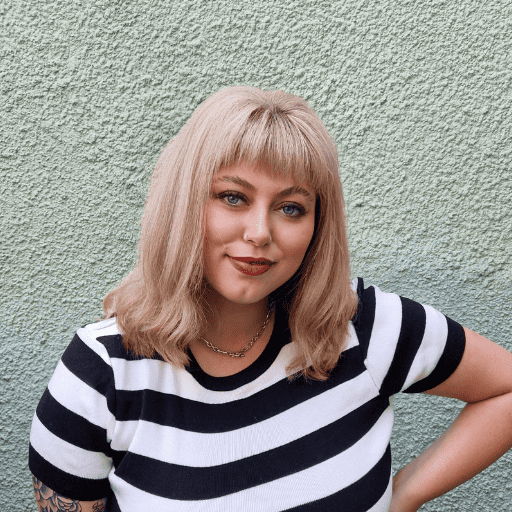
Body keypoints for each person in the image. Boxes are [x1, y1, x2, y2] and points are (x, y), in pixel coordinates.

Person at [29, 86, 512, 512]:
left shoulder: (361, 328)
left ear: (317, 225)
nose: (260, 233)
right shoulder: (99, 375)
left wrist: (404, 494)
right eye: (233, 197)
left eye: (290, 207)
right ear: (184, 202)